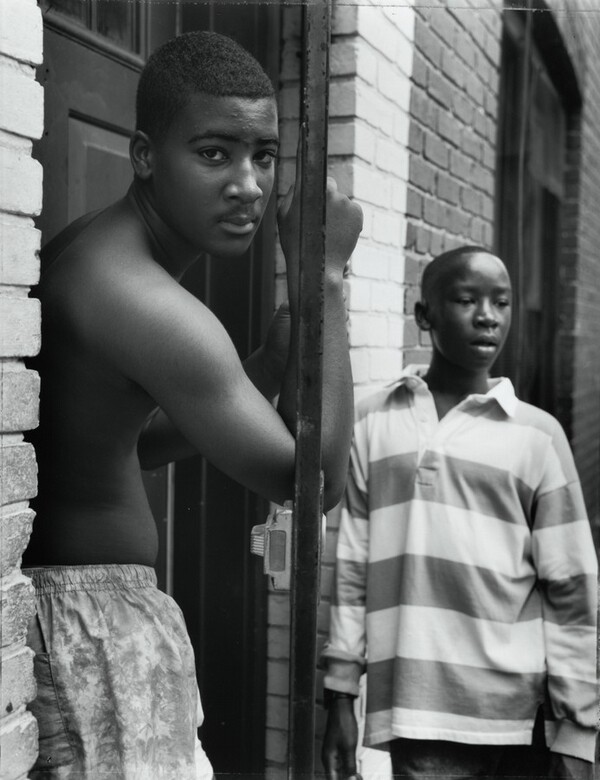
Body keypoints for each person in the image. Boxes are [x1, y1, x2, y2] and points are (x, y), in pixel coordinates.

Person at [23, 30, 363, 779]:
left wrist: (266, 367)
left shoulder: (94, 251)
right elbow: (316, 482)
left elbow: (126, 443)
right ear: (145, 155)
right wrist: (329, 279)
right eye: (214, 153)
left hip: (73, 618)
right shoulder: (143, 300)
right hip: (89, 625)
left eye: (263, 156)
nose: (249, 184)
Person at [320, 246, 598, 780]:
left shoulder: (538, 436)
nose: (488, 316)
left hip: (527, 717)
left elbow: (572, 588)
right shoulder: (373, 422)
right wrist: (340, 693)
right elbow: (352, 566)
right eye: (467, 300)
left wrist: (578, 731)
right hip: (422, 715)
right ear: (424, 315)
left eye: (502, 302)